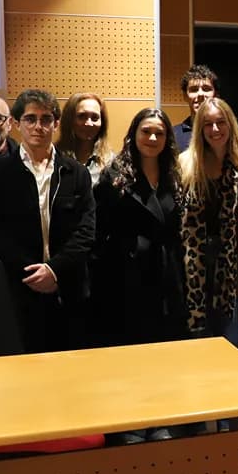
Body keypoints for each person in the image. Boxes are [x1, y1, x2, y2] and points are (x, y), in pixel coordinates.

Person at [0, 89, 95, 353]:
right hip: (19, 289)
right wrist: (33, 272)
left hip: (68, 288)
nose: (38, 126)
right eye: (31, 119)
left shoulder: (75, 172)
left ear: (55, 123)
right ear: (16, 124)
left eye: (46, 119)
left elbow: (86, 231)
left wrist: (54, 270)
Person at [92, 108, 187, 346]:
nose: (153, 139)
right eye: (146, 132)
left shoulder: (174, 175)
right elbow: (100, 229)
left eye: (159, 133)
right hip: (126, 275)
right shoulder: (113, 176)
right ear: (134, 133)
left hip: (168, 272)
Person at [178, 98, 238, 340]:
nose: (215, 130)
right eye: (208, 124)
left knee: (228, 342)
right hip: (193, 270)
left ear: (230, 125)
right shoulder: (184, 165)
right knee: (194, 343)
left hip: (232, 271)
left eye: (221, 123)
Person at [57, 93, 115, 186]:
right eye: (82, 116)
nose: (89, 123)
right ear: (69, 119)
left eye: (95, 118)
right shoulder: (54, 157)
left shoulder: (111, 162)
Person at [174, 65, 219, 152]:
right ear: (185, 96)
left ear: (216, 95)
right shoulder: (173, 135)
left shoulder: (224, 133)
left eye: (206, 89)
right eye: (194, 90)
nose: (200, 94)